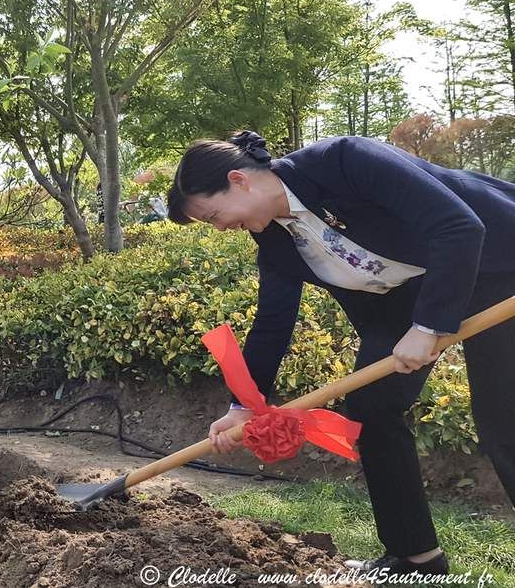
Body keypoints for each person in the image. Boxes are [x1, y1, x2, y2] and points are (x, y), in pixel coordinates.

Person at [167, 131, 515, 578]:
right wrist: (243, 405)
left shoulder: (346, 161)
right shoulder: (274, 237)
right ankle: (416, 557)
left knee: (503, 416)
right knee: (371, 408)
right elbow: (273, 320)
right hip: (410, 294)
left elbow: (459, 226)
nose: (219, 228)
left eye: (214, 216)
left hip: (496, 265)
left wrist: (429, 326)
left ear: (239, 180)